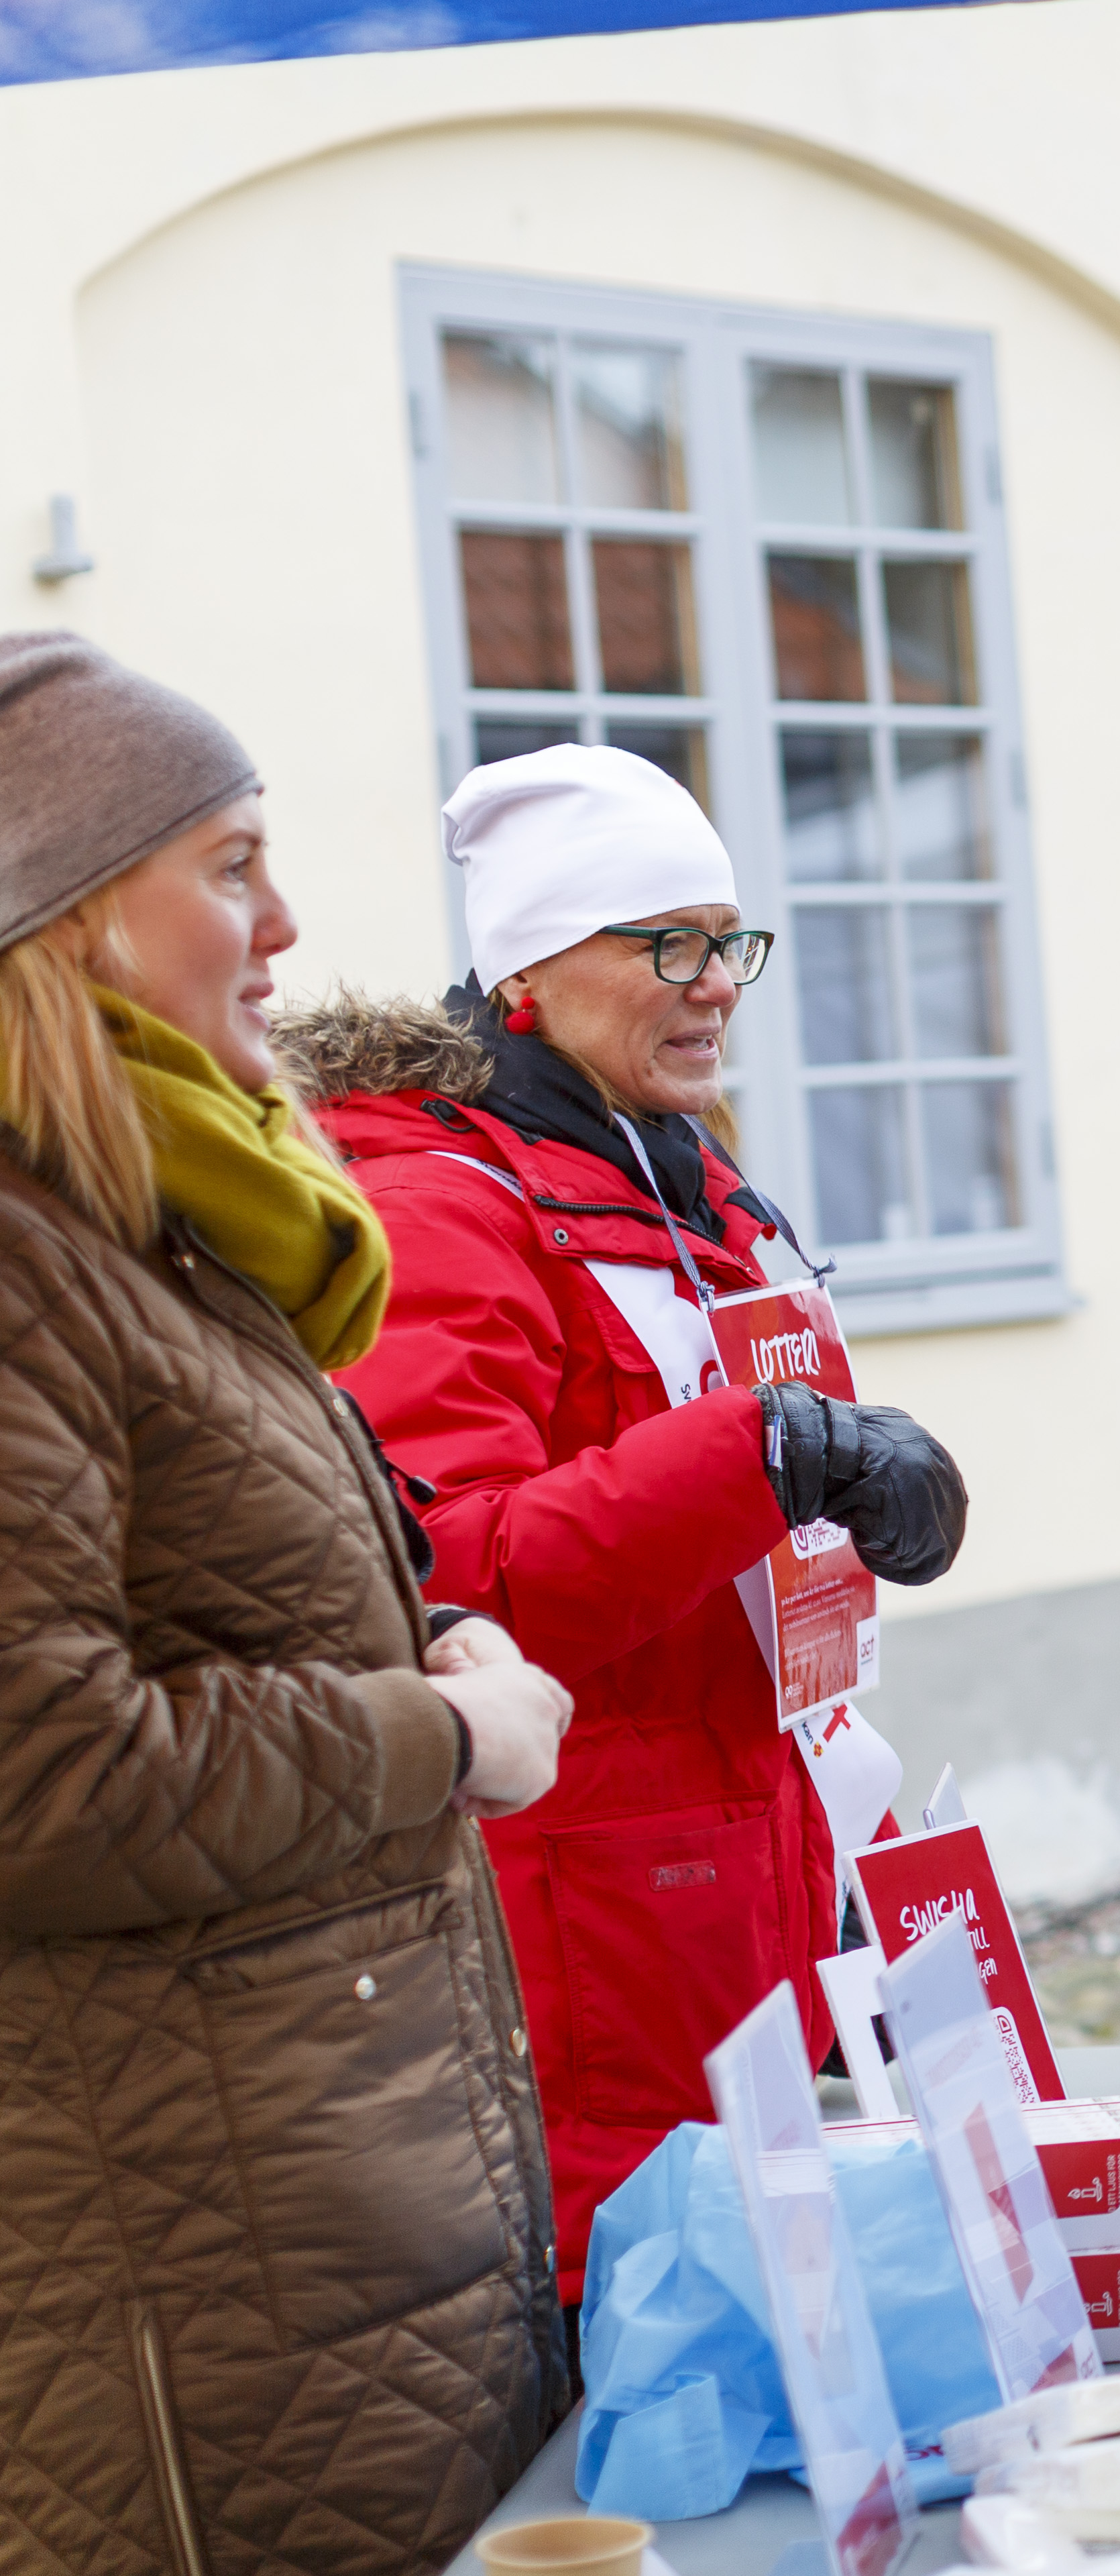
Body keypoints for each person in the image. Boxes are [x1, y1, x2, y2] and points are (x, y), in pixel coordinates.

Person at [0, 633, 572, 2571]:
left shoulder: (161, 1224)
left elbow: (196, 1631)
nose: (289, 924)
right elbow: (44, 1771)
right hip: (192, 2290)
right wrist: (441, 1736)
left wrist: (415, 1648)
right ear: (71, 915)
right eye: (232, 864)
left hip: (323, 2233)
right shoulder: (26, 1262)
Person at [289, 743, 968, 2311]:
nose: (714, 982)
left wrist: (859, 1485)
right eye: (662, 942)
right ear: (528, 964)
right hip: (590, 1919)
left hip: (756, 1873)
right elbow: (450, 1571)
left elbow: (749, 1515)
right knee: (642, 2357)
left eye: (727, 940)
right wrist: (772, 1449)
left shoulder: (682, 1176)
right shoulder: (442, 1196)